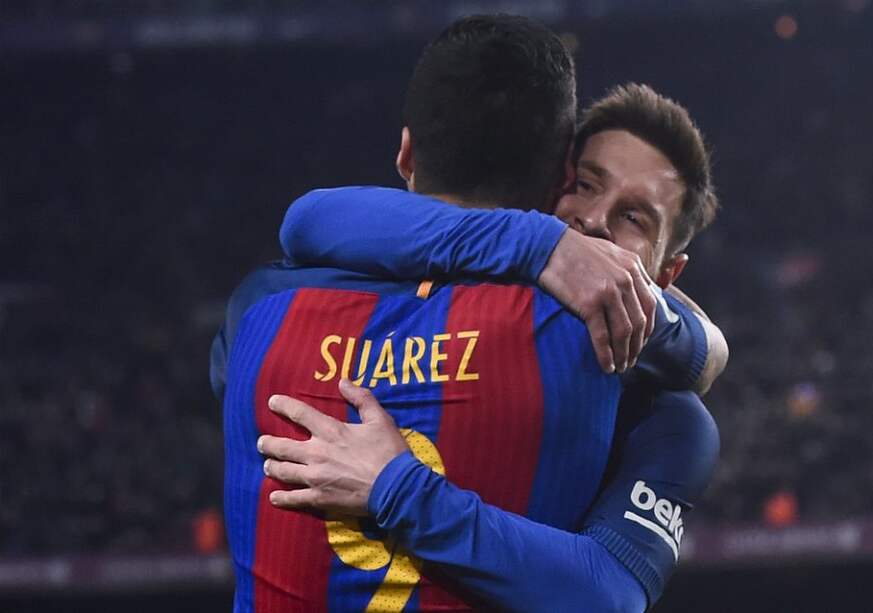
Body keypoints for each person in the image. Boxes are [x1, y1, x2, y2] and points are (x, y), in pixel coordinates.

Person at [213, 16, 715, 612]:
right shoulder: (561, 336)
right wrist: (701, 342)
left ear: (666, 275)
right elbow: (310, 219)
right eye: (584, 184)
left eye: (634, 219)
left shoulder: (263, 310)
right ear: (555, 179)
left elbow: (609, 596)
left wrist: (398, 489)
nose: (592, 223)